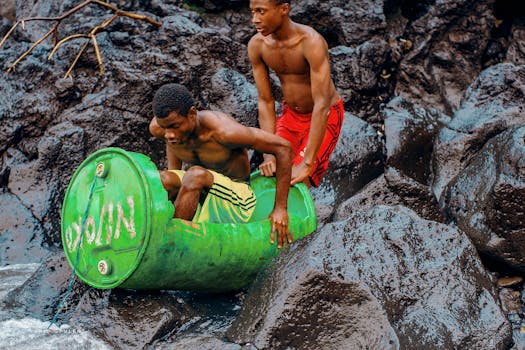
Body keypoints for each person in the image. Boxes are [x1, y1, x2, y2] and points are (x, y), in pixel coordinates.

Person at [149, 83, 293, 248]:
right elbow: (172, 143)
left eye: (174, 126)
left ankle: (171, 246)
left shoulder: (225, 132)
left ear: (192, 114)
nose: (169, 134)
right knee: (161, 180)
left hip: (238, 201)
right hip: (198, 188)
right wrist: (173, 186)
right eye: (164, 128)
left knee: (195, 175)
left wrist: (280, 209)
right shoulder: (161, 128)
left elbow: (283, 148)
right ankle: (148, 236)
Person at [248, 0, 344, 188]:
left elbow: (322, 104)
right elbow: (266, 101)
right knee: (273, 170)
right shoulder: (257, 45)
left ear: (283, 9)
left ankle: (302, 216)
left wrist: (306, 163)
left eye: (261, 12)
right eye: (252, 12)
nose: (255, 19)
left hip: (325, 114)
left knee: (298, 179)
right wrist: (268, 154)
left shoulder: (311, 42)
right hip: (291, 114)